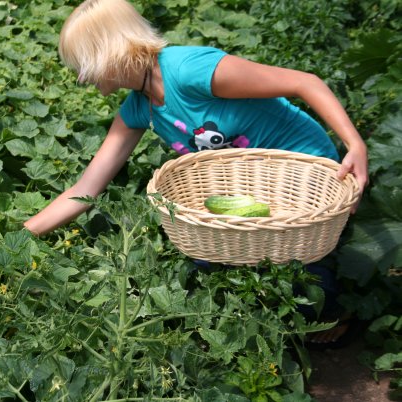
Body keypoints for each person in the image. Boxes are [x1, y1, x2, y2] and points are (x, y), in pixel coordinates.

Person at [24, 0, 369, 346]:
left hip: (300, 169)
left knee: (297, 262)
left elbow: (305, 83)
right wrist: (21, 237)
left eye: (82, 65)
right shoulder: (139, 108)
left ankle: (331, 314)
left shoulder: (191, 71)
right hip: (246, 185)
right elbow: (86, 188)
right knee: (209, 253)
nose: (81, 78)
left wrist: (355, 145)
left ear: (106, 53)